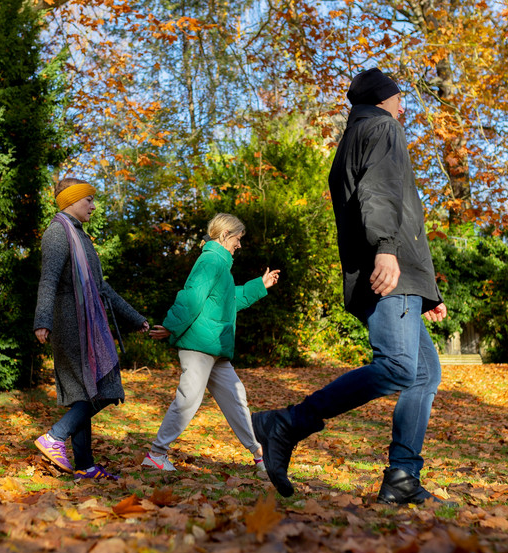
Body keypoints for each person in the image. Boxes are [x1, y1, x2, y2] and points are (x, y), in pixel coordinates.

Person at [252, 68, 448, 504]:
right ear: (382, 99)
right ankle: (287, 423)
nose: (404, 106)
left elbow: (382, 201)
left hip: (395, 274)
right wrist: (386, 250)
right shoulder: (383, 128)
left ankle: (402, 477)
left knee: (424, 372)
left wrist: (425, 292)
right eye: (400, 97)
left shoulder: (356, 135)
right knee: (401, 367)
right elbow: (377, 195)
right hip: (385, 270)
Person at [142, 213, 280, 473]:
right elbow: (191, 297)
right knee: (188, 400)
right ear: (225, 234)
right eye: (238, 238)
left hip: (214, 348)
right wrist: (171, 326)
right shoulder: (211, 259)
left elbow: (228, 301)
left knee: (236, 398)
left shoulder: (221, 263)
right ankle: (156, 454)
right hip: (198, 346)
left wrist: (260, 285)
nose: (239, 245)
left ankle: (260, 454)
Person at [33, 177, 149, 481]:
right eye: (89, 200)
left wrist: (135, 318)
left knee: (83, 395)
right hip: (70, 323)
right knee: (104, 390)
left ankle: (85, 466)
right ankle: (54, 436)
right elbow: (48, 279)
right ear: (72, 199)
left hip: (88, 322)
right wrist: (42, 319)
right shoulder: (58, 234)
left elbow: (101, 287)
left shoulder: (81, 237)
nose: (93, 206)